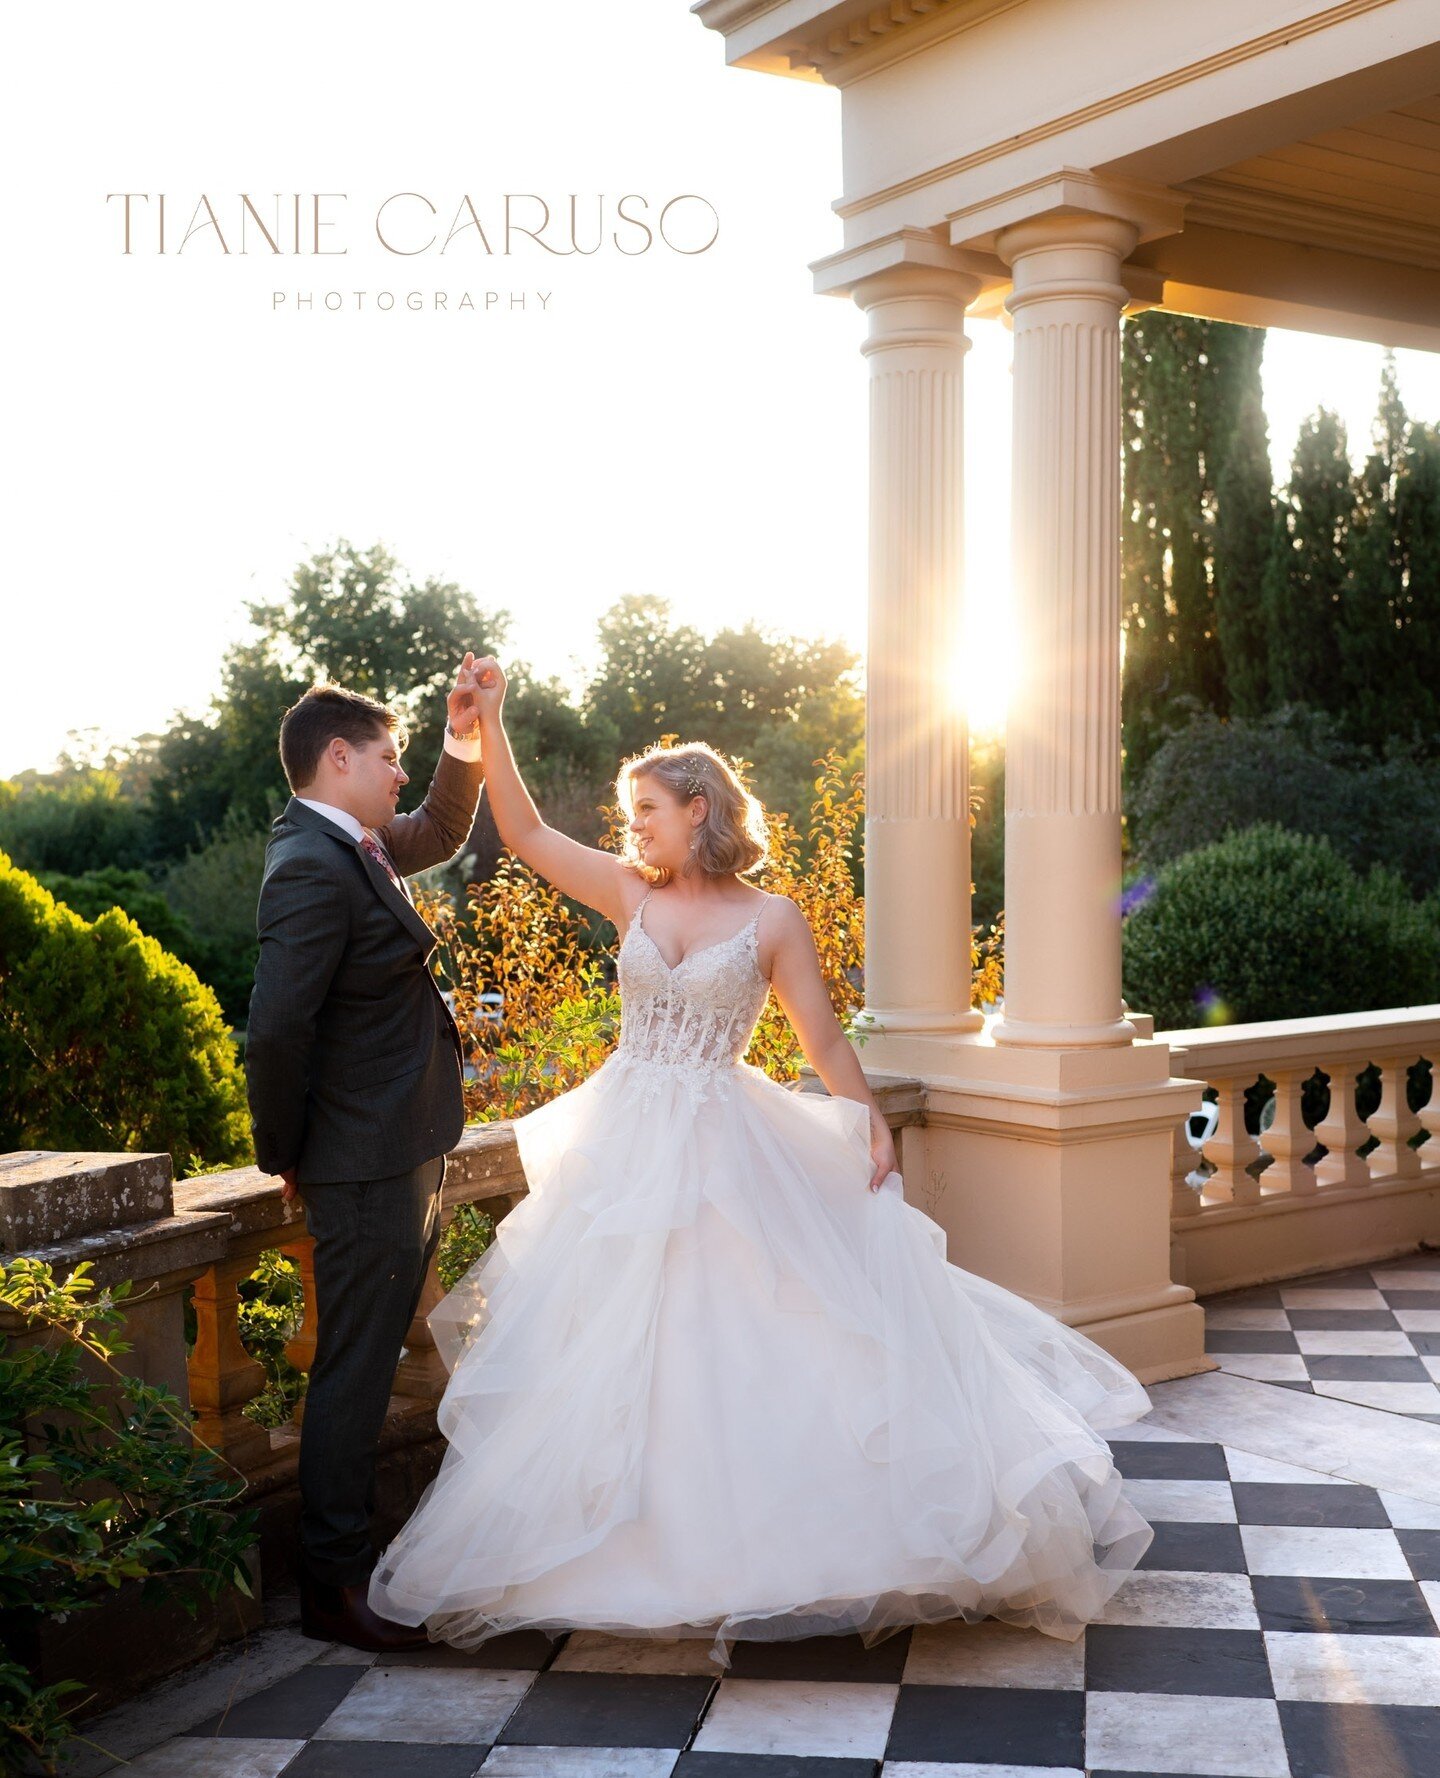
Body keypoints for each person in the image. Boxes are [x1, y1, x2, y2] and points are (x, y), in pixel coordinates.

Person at [368, 655, 1155, 1667]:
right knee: (624, 1348)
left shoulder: (773, 918)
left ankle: (768, 1555)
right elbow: (519, 833)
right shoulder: (628, 891)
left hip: (726, 1144)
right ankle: (627, 1549)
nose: (634, 826)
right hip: (627, 1145)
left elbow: (822, 1040)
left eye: (646, 808)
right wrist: (490, 723)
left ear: (699, 808)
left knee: (747, 1337)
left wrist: (868, 1118)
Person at [246, 662, 486, 1653]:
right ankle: (332, 1587)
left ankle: (344, 1573)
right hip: (359, 1159)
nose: (398, 776)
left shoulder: (352, 841)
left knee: (366, 1359)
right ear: (337, 758)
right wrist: (288, 1154)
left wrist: (461, 739)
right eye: (388, 757)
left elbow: (435, 827)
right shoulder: (308, 860)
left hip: (394, 1146)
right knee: (353, 1369)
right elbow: (274, 1032)